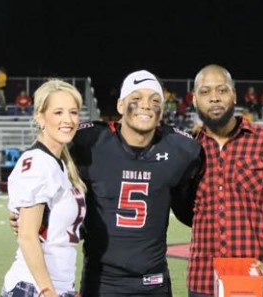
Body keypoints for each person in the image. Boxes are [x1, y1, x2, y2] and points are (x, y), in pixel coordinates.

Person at [72, 70, 203, 296]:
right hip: (101, 282)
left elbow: (194, 203)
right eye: (136, 98)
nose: (146, 105)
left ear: (161, 110)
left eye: (155, 100)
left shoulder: (181, 148)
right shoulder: (91, 141)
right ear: (121, 106)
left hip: (153, 282)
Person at [187, 65, 263, 297]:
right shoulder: (187, 148)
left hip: (257, 281)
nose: (215, 98)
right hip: (203, 283)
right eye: (205, 92)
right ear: (195, 100)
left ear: (234, 95)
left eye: (222, 90)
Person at [2, 79, 86, 297]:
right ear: (40, 117)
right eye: (58, 112)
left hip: (56, 286)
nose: (68, 119)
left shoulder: (61, 163)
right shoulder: (38, 162)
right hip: (34, 288)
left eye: (73, 112)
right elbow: (27, 237)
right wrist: (47, 290)